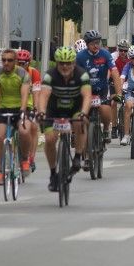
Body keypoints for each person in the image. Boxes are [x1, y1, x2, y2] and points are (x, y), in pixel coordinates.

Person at [36, 46, 92, 192]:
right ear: (57, 63)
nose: (65, 66)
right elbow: (43, 95)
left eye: (68, 63)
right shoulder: (50, 75)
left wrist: (84, 112)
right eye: (61, 63)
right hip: (54, 110)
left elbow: (87, 96)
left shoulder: (82, 75)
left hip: (75, 109)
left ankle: (78, 156)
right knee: (50, 139)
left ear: (74, 63)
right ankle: (53, 173)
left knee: (80, 122)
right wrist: (41, 112)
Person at [75, 30, 122, 164]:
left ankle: (106, 129)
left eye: (98, 43)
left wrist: (119, 93)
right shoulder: (80, 56)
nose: (96, 46)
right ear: (87, 44)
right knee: (83, 120)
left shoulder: (105, 54)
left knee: (105, 109)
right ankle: (86, 154)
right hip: (86, 91)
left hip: (101, 90)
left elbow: (115, 73)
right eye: (93, 43)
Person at [0, 47, 32, 186]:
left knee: (24, 131)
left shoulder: (22, 74)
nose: (6, 63)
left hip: (20, 108)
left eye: (9, 60)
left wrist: (23, 110)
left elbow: (25, 94)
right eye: (3, 60)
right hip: (3, 108)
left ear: (16, 61)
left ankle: (24, 159)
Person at [17, 49, 42, 171]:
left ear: (28, 63)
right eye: (19, 63)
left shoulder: (34, 73)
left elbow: (37, 93)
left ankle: (31, 157)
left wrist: (36, 108)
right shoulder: (12, 72)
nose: (21, 65)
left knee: (33, 127)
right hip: (15, 103)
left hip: (30, 104)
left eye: (24, 63)